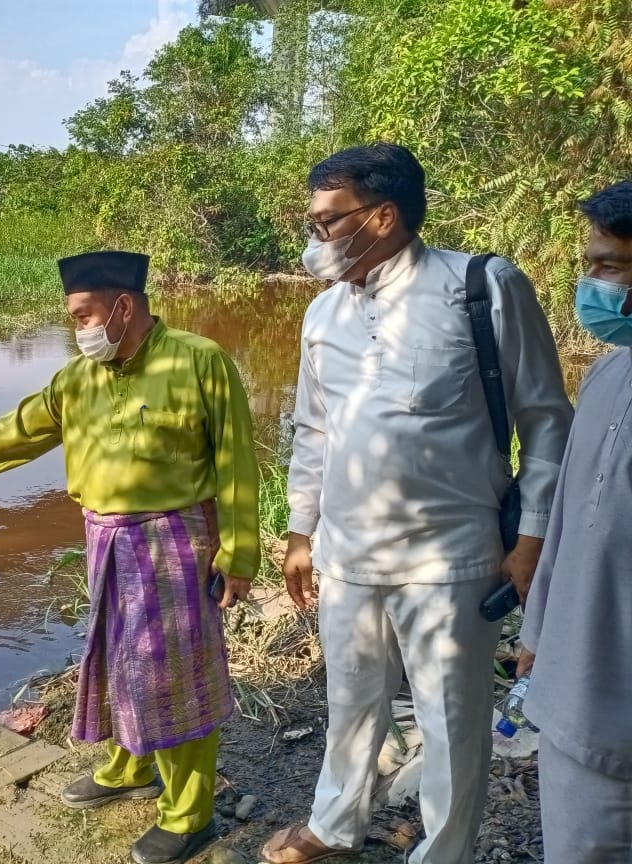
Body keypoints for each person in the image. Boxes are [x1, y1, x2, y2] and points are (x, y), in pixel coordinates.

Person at [0, 251, 260, 864]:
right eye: (72, 318)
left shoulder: (198, 361)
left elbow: (236, 462)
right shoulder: (77, 379)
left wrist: (239, 554)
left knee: (172, 676)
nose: (77, 329)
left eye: (83, 315)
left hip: (173, 540)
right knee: (113, 658)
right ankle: (129, 766)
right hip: (104, 540)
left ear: (123, 306)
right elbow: (20, 429)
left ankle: (189, 813)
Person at [261, 144, 573, 864]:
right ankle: (335, 826)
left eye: (325, 222)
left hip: (452, 558)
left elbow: (546, 420)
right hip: (346, 553)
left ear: (383, 215)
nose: (315, 239)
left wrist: (530, 539)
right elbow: (313, 429)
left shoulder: (481, 286)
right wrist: (300, 531)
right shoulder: (322, 315)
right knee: (352, 700)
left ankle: (443, 852)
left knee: (452, 719)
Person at [516, 181, 632, 864]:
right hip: (571, 694)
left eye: (608, 266)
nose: (589, 283)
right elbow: (568, 522)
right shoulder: (605, 376)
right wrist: (538, 635)